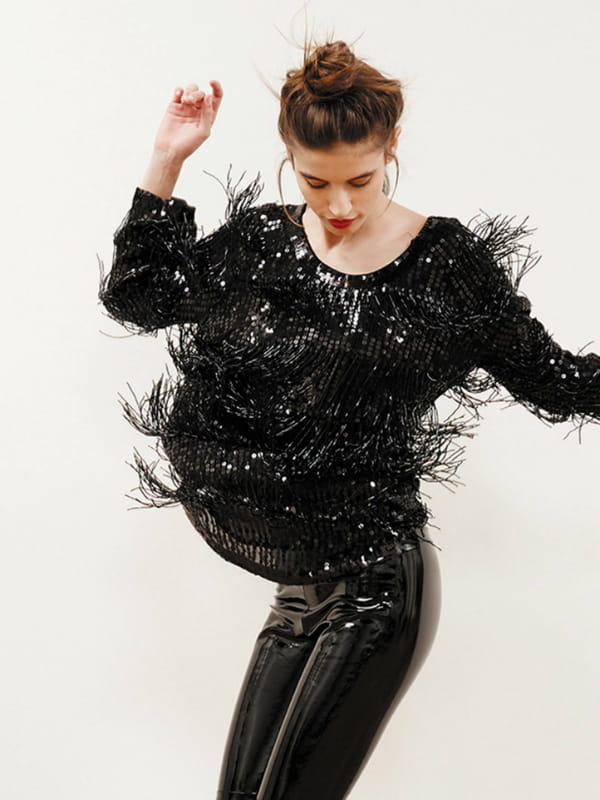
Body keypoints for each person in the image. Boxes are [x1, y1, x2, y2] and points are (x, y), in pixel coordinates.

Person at [98, 38, 600, 800]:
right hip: (295, 594)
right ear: (289, 158)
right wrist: (167, 157)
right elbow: (139, 297)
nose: (338, 206)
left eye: (361, 180)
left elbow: (559, 382)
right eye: (316, 181)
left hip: (375, 590)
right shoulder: (263, 243)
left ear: (392, 146)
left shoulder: (446, 265)